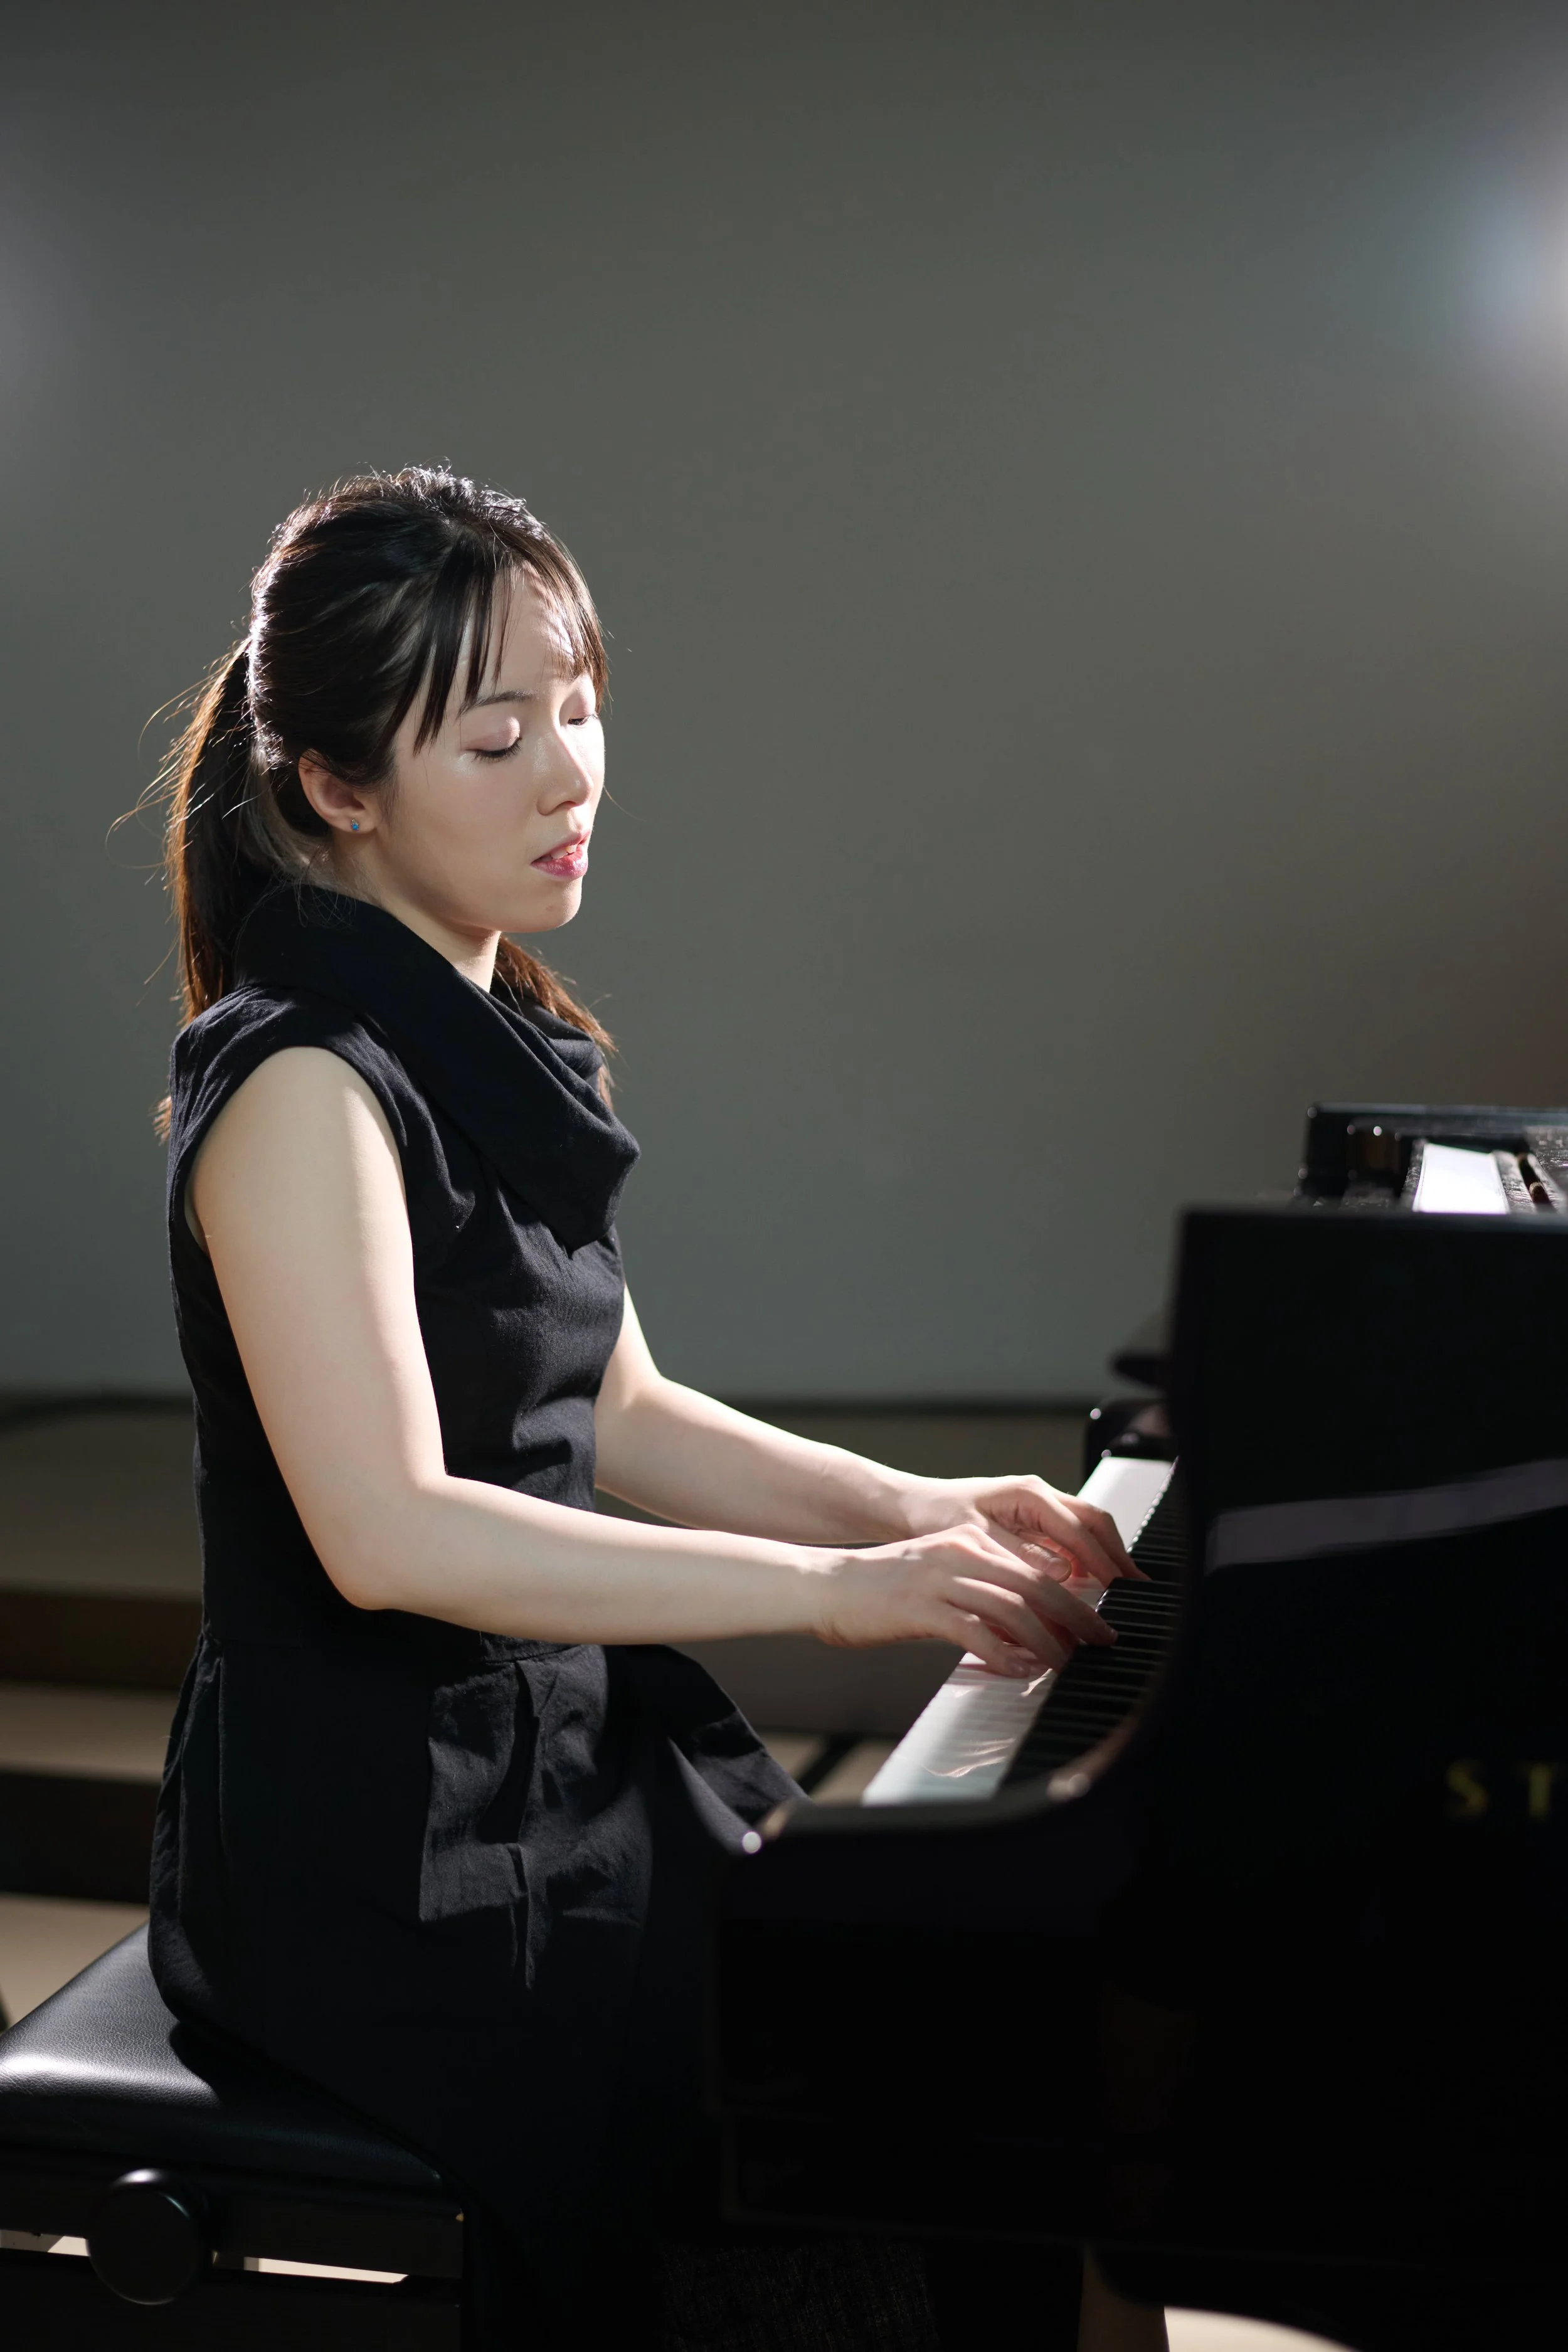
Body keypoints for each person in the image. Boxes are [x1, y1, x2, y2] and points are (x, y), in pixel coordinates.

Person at [147, 465, 1140, 2350]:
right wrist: (839, 1601)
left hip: (565, 1748)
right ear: (337, 787)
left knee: (987, 2066)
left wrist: (920, 1504)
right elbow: (392, 1533)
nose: (567, 773)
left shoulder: (490, 1020)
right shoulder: (301, 1088)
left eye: (581, 708)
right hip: (386, 1846)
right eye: (495, 733)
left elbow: (618, 1407)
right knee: (848, 2131)